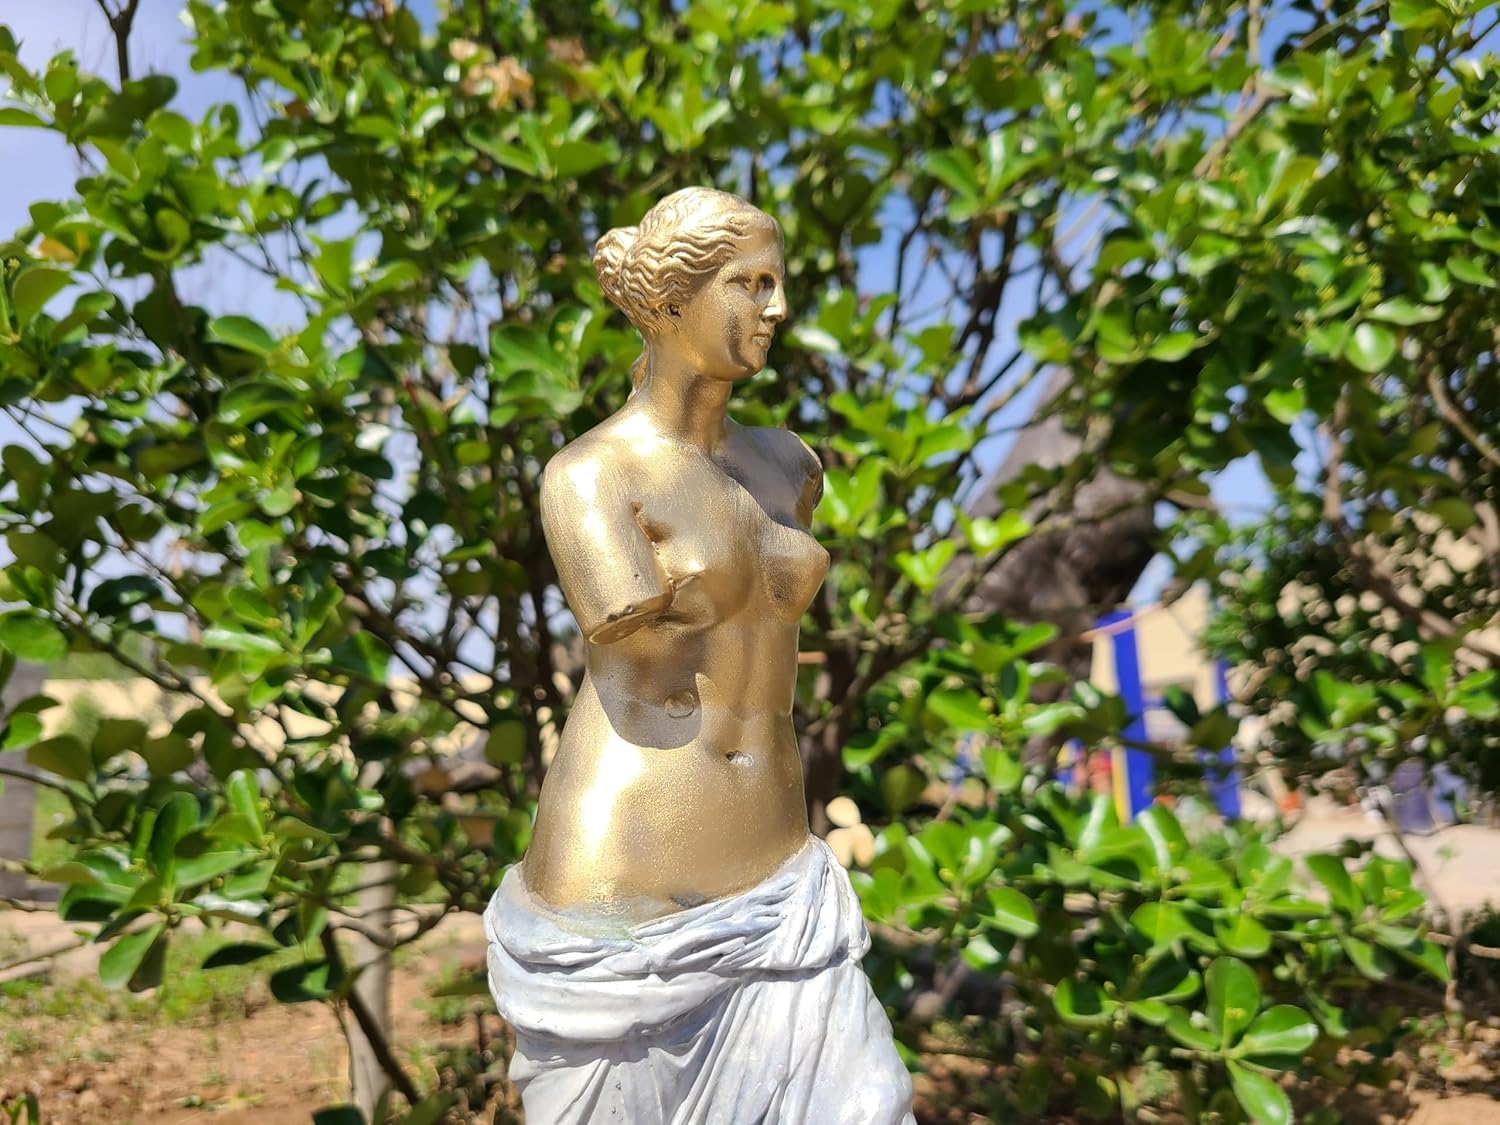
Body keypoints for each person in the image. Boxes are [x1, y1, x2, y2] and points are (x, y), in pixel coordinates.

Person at [484, 187, 915, 1124]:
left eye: (777, 283)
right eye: (750, 284)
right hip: (625, 886)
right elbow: (619, 615)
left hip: (779, 873)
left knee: (871, 1103)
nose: (777, 307)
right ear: (672, 301)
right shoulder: (593, 475)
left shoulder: (790, 465)